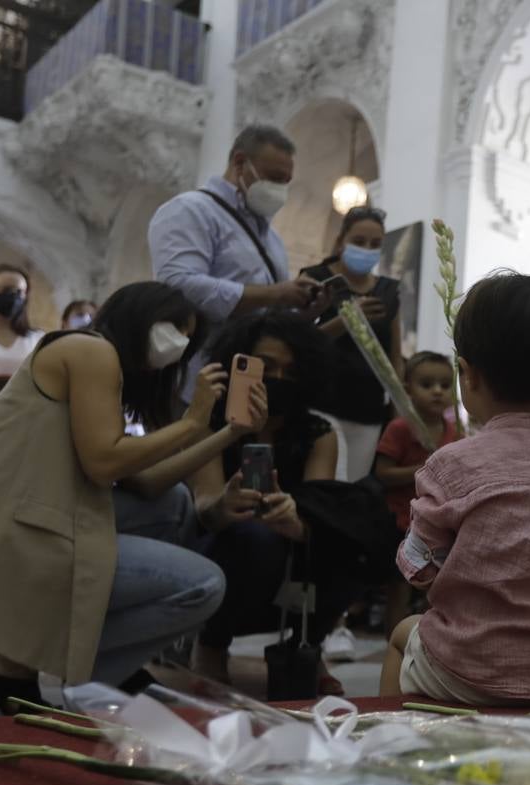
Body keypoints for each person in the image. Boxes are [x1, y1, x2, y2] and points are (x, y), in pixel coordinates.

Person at [0, 281, 227, 712]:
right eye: (174, 327)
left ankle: (87, 662)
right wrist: (193, 422)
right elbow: (105, 462)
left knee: (173, 503)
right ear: (139, 316)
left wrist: (231, 432)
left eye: (187, 335)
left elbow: (145, 481)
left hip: (38, 511)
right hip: (11, 522)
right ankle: (44, 662)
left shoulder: (106, 365)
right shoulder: (90, 350)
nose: (179, 342)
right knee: (204, 585)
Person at [379, 273, 530, 705]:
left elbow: (418, 567)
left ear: (466, 376)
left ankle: (391, 741)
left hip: (468, 668)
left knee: (401, 634)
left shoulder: (452, 465)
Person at [187, 311, 342, 687]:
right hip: (225, 544)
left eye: (291, 371)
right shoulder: (210, 424)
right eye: (267, 367)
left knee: (345, 540)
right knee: (252, 538)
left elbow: (317, 507)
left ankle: (309, 644)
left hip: (288, 546)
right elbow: (203, 508)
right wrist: (225, 504)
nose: (279, 380)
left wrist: (296, 518)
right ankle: (211, 644)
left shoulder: (318, 433)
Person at [147, 124, 320, 385]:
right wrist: (275, 294)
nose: (279, 189)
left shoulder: (270, 238)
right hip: (199, 376)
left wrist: (303, 308)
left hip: (252, 376)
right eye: (273, 177)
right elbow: (178, 285)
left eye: (285, 182)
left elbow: (266, 314)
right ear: (240, 162)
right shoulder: (190, 211)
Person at [302, 206, 404, 481]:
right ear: (341, 241)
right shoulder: (315, 278)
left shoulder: (388, 291)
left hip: (367, 409)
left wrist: (398, 415)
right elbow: (296, 340)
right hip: (319, 402)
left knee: (352, 489)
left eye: (375, 244)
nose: (367, 249)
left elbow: (395, 355)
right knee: (318, 484)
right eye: (359, 242)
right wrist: (348, 318)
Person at [374, 351, 460, 635]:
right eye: (427, 384)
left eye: (445, 385)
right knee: (400, 587)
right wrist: (424, 468)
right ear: (408, 388)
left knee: (436, 588)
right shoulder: (400, 428)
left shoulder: (454, 430)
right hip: (401, 521)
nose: (437, 391)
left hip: (439, 522)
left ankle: (430, 644)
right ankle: (394, 644)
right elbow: (382, 474)